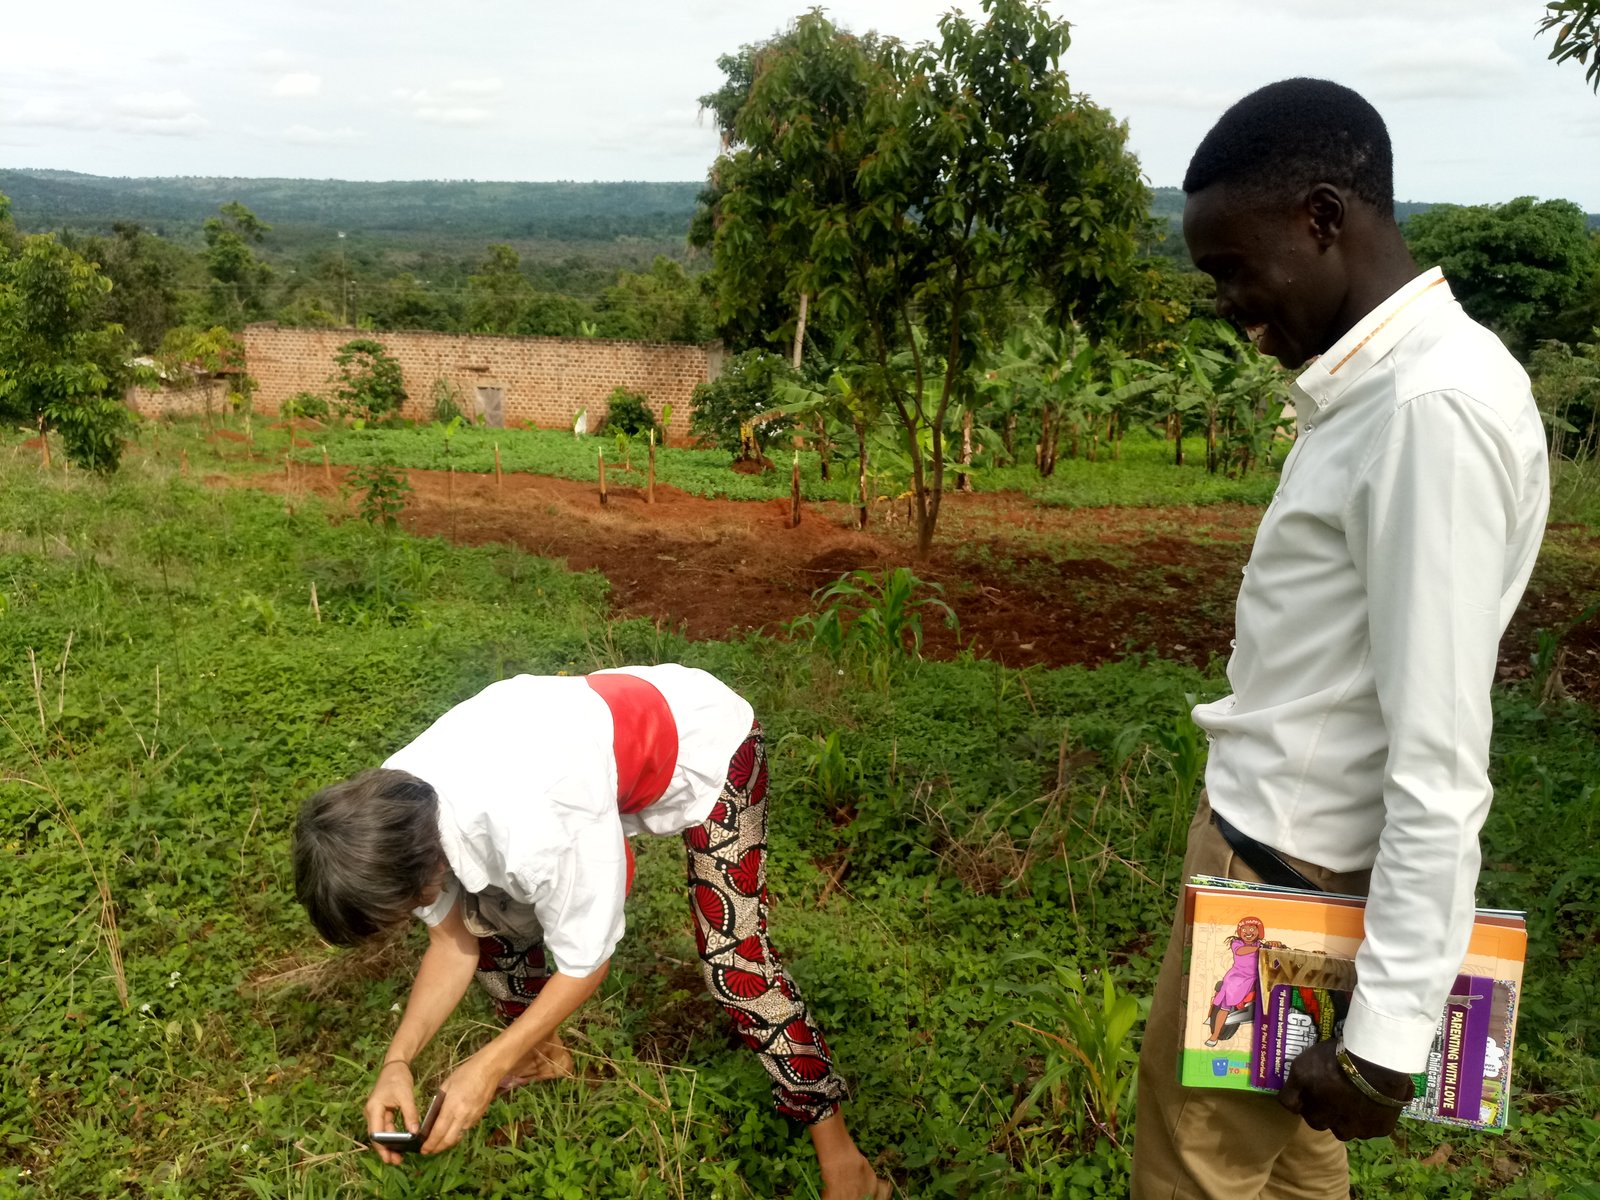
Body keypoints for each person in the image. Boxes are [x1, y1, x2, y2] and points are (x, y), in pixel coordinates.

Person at [1131, 78, 1550, 1199]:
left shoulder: (1425, 413)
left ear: (1322, 218)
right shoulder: (1391, 392)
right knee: (1296, 1169)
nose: (1226, 303)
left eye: (1231, 268)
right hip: (1298, 881)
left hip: (1284, 880)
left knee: (1195, 1176)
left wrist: (1386, 1039)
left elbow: (1439, 752)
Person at [292, 663, 889, 1200]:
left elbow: (587, 965)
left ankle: (844, 1160)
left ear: (423, 863)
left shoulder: (538, 825)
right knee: (491, 932)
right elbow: (455, 945)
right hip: (582, 763)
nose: (410, 921)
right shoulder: (394, 804)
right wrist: (398, 1060)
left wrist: (490, 1065)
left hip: (710, 747)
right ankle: (545, 1057)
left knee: (736, 962)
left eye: (402, 911)